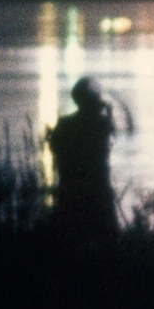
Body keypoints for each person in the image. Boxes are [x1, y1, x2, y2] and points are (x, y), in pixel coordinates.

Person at [46, 78, 121, 246]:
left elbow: (55, 148)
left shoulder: (65, 124)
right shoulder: (100, 123)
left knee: (70, 240)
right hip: (97, 190)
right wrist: (108, 114)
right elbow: (109, 137)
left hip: (70, 189)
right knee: (109, 241)